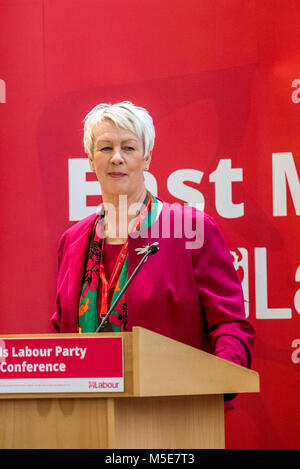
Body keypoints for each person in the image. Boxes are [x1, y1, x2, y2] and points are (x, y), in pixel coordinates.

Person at [50, 101, 255, 375]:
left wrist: (220, 381)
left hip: (172, 408)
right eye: (106, 147)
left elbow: (230, 325)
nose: (117, 158)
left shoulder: (191, 229)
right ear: (90, 158)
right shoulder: (73, 240)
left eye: (129, 147)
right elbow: (60, 329)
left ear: (146, 158)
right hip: (87, 409)